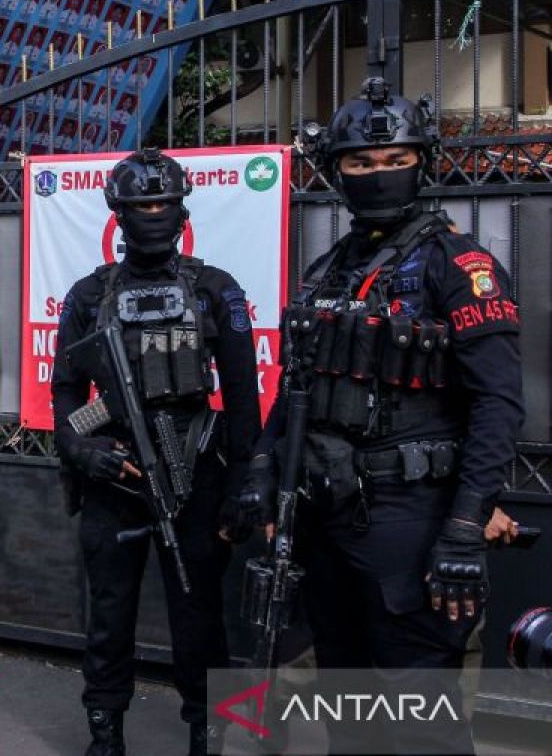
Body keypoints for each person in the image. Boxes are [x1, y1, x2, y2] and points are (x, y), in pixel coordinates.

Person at [239, 77, 524, 754]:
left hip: (412, 519)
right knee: (349, 710)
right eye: (360, 163)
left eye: (395, 160)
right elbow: (295, 390)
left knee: (421, 721)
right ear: (337, 170)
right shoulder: (328, 269)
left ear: (421, 162)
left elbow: (498, 402)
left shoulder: (460, 264)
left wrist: (462, 528)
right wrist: (261, 468)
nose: (378, 174)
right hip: (328, 514)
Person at [51, 148, 262, 756]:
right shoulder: (89, 296)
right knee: (110, 614)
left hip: (197, 470)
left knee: (199, 615)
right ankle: (105, 731)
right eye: (140, 205)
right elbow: (66, 391)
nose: (152, 214)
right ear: (118, 214)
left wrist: (245, 483)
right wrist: (82, 450)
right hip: (115, 475)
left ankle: (209, 729)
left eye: (163, 204)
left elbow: (244, 399)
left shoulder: (215, 291)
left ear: (180, 210)